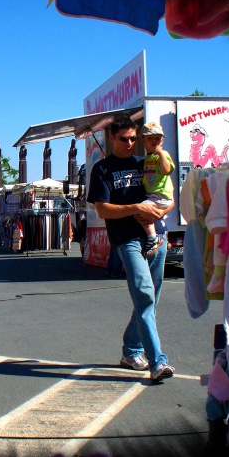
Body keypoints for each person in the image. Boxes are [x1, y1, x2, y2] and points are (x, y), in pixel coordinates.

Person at [86, 117, 176, 381]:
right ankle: (157, 362)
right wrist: (137, 208)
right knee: (145, 295)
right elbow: (102, 209)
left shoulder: (145, 161)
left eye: (134, 138)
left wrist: (159, 213)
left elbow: (168, 194)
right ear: (112, 138)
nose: (130, 143)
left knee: (150, 299)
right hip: (127, 240)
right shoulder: (102, 169)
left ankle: (131, 350)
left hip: (156, 236)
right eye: (124, 138)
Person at [138, 121, 174, 258]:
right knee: (141, 215)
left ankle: (153, 238)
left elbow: (166, 170)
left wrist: (161, 154)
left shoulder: (163, 154)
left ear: (162, 140)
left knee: (142, 208)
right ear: (143, 140)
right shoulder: (147, 158)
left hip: (161, 195)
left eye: (157, 138)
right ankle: (163, 239)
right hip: (153, 195)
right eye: (150, 138)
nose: (154, 141)